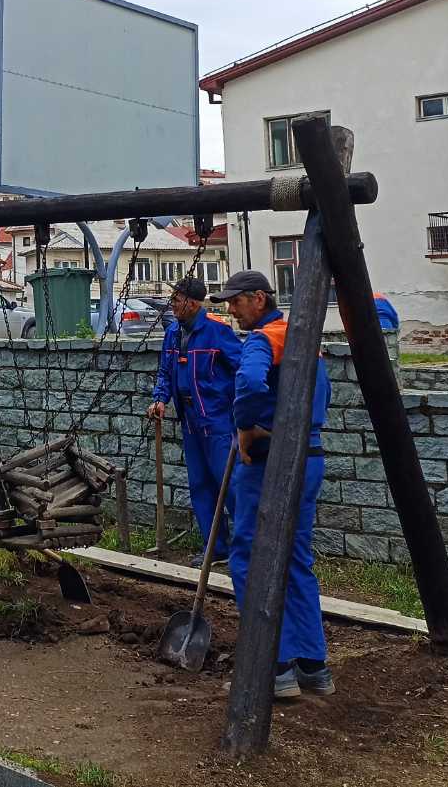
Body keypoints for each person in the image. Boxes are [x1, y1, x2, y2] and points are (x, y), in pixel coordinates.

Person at [210, 269, 333, 700]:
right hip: (309, 458)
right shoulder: (304, 340)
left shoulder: (265, 339)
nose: (230, 309)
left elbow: (247, 382)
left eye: (236, 301)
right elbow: (322, 397)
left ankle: (273, 666)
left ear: (258, 299)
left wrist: (250, 426)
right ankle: (313, 667)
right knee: (297, 558)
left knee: (248, 556)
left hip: (267, 464)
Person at [146, 276, 244, 566]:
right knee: (201, 485)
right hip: (189, 420)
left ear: (192, 302)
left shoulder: (218, 333)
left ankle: (249, 549)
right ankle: (215, 548)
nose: (172, 305)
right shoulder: (173, 333)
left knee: (231, 486)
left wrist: (238, 411)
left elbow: (242, 372)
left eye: (176, 300)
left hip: (217, 422)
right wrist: (160, 399)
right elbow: (166, 371)